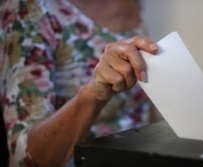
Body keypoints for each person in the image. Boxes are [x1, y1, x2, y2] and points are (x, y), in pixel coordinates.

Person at [0, 0, 162, 166]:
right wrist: (94, 93)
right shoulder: (28, 8)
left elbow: (142, 105)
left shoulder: (133, 3)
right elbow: (23, 156)